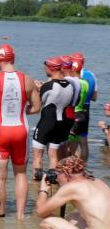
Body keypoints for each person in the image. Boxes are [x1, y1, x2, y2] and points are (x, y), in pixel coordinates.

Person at [0, 44, 41, 218]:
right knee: (21, 174)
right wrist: (21, 110)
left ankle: (0, 215)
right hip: (20, 131)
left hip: (1, 132)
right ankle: (21, 216)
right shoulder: (27, 80)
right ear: (13, 58)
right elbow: (37, 108)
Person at [36, 156, 110, 229]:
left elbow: (41, 212)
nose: (57, 179)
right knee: (74, 217)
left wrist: (43, 190)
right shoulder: (98, 182)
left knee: (47, 223)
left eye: (58, 175)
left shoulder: (72, 187)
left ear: (66, 173)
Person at [31, 57, 74, 186]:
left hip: (46, 123)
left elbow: (38, 104)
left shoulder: (48, 86)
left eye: (45, 67)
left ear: (51, 68)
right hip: (60, 123)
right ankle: (52, 183)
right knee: (53, 155)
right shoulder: (70, 85)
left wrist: (37, 88)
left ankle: (38, 185)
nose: (44, 70)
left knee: (38, 156)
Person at [70, 52, 98, 161]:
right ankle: (83, 167)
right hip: (86, 109)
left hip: (75, 108)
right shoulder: (92, 75)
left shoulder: (73, 75)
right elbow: (94, 97)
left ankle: (71, 165)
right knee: (83, 140)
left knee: (71, 139)